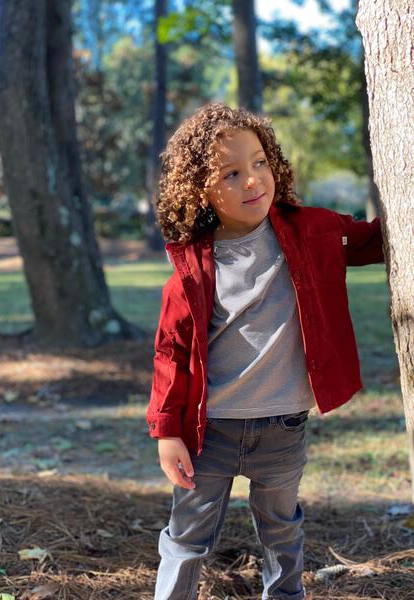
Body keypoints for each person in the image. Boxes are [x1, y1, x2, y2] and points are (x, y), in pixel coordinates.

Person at [146, 102, 383, 600]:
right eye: (231, 173)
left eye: (259, 162)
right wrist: (167, 432)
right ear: (199, 188)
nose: (252, 180)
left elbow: (377, 241)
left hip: (283, 425)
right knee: (188, 536)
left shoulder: (310, 230)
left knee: (282, 530)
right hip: (207, 432)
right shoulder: (193, 267)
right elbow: (170, 354)